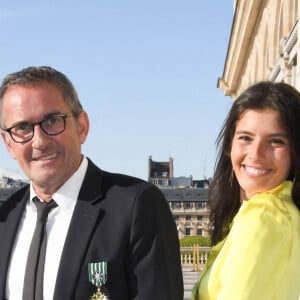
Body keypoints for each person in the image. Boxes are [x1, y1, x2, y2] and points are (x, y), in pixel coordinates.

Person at [0, 66, 183, 300]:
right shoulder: (5, 218)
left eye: (53, 120)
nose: (39, 141)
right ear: (8, 144)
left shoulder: (137, 206)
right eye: (23, 127)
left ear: (82, 126)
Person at [192, 81, 300, 299]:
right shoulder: (286, 212)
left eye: (275, 141)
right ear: (229, 144)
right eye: (246, 138)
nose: (256, 153)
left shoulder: (264, 216)